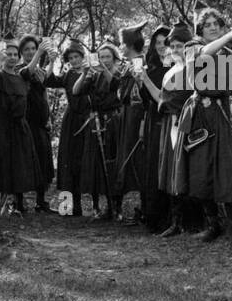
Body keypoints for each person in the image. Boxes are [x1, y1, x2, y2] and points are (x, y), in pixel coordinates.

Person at [166, 7, 232, 248]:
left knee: (227, 170)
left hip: (221, 113)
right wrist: (230, 36)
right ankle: (213, 224)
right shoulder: (193, 46)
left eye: (216, 24)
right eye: (208, 24)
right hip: (200, 114)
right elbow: (202, 55)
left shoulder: (228, 52)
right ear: (200, 28)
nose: (212, 27)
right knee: (200, 170)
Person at [0, 37, 39, 216]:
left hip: (19, 125)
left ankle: (18, 204)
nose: (13, 57)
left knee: (19, 163)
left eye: (16, 54)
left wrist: (40, 52)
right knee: (1, 163)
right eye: (9, 54)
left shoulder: (22, 75)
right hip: (1, 126)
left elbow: (31, 68)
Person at [152, 22, 195, 237]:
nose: (176, 50)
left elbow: (183, 97)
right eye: (174, 46)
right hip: (170, 121)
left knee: (183, 169)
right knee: (170, 168)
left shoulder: (192, 68)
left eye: (181, 46)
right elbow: (163, 98)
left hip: (186, 123)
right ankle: (176, 221)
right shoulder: (172, 70)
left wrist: (171, 105)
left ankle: (191, 221)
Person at [73, 43, 124, 221]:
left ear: (114, 58)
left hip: (112, 121)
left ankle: (116, 207)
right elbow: (76, 90)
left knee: (112, 162)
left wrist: (104, 70)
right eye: (101, 57)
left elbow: (115, 85)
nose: (104, 60)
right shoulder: (93, 76)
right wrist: (86, 72)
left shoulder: (119, 72)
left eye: (107, 57)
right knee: (94, 163)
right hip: (95, 122)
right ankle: (97, 207)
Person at [45, 41, 92, 217]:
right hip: (71, 120)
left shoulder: (92, 73)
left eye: (76, 57)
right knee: (69, 160)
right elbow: (48, 81)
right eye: (71, 58)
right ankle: (70, 204)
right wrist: (51, 62)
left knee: (85, 159)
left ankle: (93, 205)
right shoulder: (68, 74)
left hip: (88, 119)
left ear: (82, 56)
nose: (74, 60)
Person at [114, 20, 152, 226]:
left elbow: (145, 98)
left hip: (139, 119)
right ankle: (118, 207)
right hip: (126, 118)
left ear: (128, 45)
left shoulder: (143, 64)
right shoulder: (126, 66)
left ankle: (144, 209)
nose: (120, 47)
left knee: (138, 162)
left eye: (122, 43)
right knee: (123, 159)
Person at [140, 24, 173, 232]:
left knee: (167, 167)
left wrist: (143, 79)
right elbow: (146, 101)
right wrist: (139, 80)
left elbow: (163, 99)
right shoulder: (150, 68)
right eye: (157, 43)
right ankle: (151, 217)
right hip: (153, 121)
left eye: (165, 42)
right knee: (152, 167)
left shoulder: (176, 69)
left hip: (169, 120)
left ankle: (170, 219)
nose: (161, 46)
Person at [18, 34, 55, 213]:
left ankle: (41, 201)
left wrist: (48, 117)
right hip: (25, 122)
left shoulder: (39, 69)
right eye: (27, 50)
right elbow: (27, 73)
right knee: (23, 161)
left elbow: (44, 88)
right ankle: (18, 203)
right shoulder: (18, 68)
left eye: (33, 48)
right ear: (21, 52)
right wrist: (40, 52)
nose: (31, 52)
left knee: (42, 159)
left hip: (40, 122)